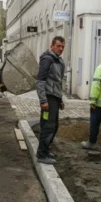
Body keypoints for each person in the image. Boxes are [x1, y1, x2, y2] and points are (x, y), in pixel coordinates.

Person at [35, 36, 66, 165]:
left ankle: (46, 150)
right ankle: (41, 154)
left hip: (54, 99)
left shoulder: (59, 61)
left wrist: (60, 99)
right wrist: (43, 100)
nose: (61, 49)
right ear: (52, 46)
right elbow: (40, 81)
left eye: (63, 47)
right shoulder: (48, 59)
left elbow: (57, 82)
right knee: (48, 126)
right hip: (48, 99)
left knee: (53, 126)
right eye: (58, 46)